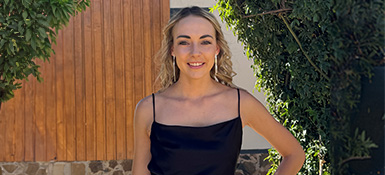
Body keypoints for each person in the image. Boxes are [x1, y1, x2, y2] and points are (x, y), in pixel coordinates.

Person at [132, 6, 305, 175]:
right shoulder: (148, 109)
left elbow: (294, 154)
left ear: (217, 48)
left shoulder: (240, 103)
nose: (195, 52)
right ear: (172, 49)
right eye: (184, 42)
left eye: (205, 42)